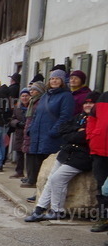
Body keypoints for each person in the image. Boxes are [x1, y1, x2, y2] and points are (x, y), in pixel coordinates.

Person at [23, 92, 98, 222]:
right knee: (50, 179)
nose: (88, 105)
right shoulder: (79, 117)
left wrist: (74, 133)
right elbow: (63, 130)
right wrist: (76, 131)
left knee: (57, 179)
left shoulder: (96, 120)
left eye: (91, 103)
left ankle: (57, 210)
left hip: (81, 157)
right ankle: (40, 209)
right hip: (66, 153)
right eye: (86, 102)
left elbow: (84, 138)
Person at [26, 68, 75, 186]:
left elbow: (65, 117)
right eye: (52, 78)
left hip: (52, 137)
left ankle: (45, 192)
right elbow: (36, 114)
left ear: (62, 81)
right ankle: (38, 189)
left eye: (57, 78)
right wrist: (31, 129)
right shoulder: (45, 96)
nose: (54, 81)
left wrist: (53, 132)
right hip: (38, 135)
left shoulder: (66, 96)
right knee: (38, 166)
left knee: (49, 167)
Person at [87, 88, 108, 233]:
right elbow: (92, 119)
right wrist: (91, 136)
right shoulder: (104, 97)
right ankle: (104, 218)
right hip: (99, 149)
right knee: (102, 188)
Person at [20, 81, 46, 187]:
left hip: (33, 131)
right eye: (31, 90)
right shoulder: (32, 102)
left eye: (34, 90)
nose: (31, 92)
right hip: (29, 130)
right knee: (29, 156)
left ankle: (32, 179)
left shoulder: (40, 102)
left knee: (33, 158)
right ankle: (29, 177)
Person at [8, 89, 31, 178]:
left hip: (29, 133)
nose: (24, 98)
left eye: (26, 96)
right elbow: (12, 119)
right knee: (19, 153)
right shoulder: (17, 108)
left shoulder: (32, 107)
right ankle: (19, 171)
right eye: (23, 96)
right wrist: (17, 123)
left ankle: (29, 174)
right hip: (19, 133)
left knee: (29, 154)